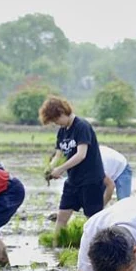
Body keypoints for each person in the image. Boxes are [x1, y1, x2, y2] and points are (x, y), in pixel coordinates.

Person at [39, 96, 105, 237]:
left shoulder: (82, 126)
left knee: (93, 219)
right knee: (62, 216)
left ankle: (100, 248)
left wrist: (61, 169)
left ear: (62, 112)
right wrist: (50, 168)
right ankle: (56, 246)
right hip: (73, 181)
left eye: (56, 120)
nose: (56, 123)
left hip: (91, 181)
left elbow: (81, 155)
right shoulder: (62, 131)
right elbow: (58, 154)